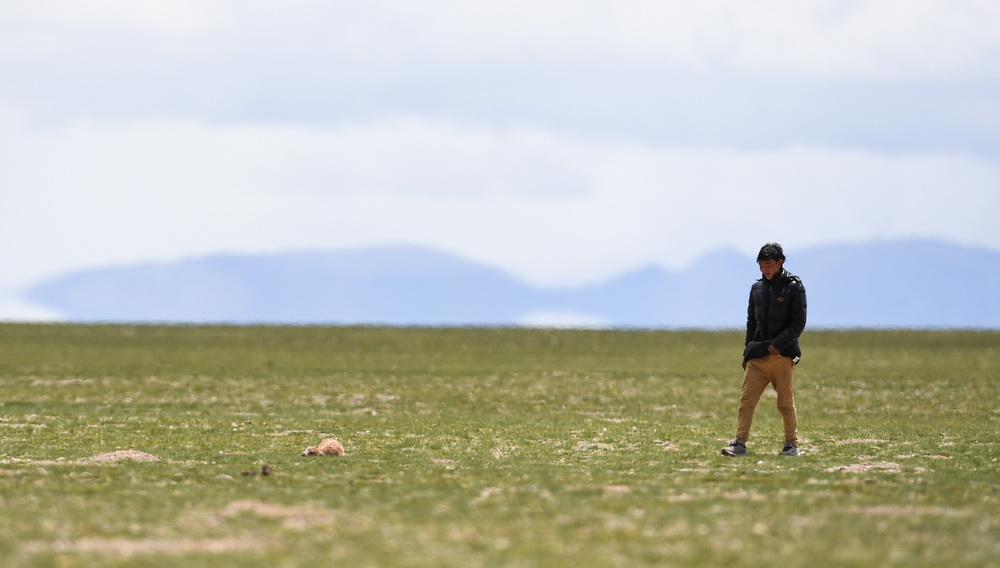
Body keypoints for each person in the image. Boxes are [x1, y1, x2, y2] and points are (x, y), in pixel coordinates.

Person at [722, 242, 807, 457]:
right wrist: (747, 351)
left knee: (785, 403)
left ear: (780, 263)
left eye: (768, 265)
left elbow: (798, 322)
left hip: (782, 356)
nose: (765, 270)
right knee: (746, 401)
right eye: (761, 266)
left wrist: (778, 344)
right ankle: (739, 443)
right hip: (757, 356)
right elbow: (752, 321)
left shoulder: (793, 287)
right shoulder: (756, 288)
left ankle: (791, 444)